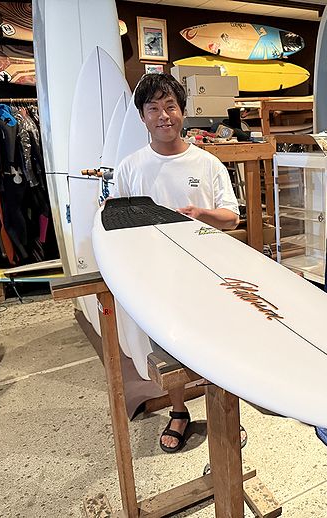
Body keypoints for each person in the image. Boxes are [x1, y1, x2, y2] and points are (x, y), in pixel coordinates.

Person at [111, 73, 245, 453]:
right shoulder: (130, 168)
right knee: (167, 350)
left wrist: (201, 214)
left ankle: (225, 413)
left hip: (208, 273)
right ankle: (179, 411)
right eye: (153, 108)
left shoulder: (207, 163)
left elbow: (232, 217)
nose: (163, 116)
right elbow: (117, 225)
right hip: (157, 279)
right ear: (143, 116)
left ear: (183, 112)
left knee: (219, 345)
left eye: (170, 106)